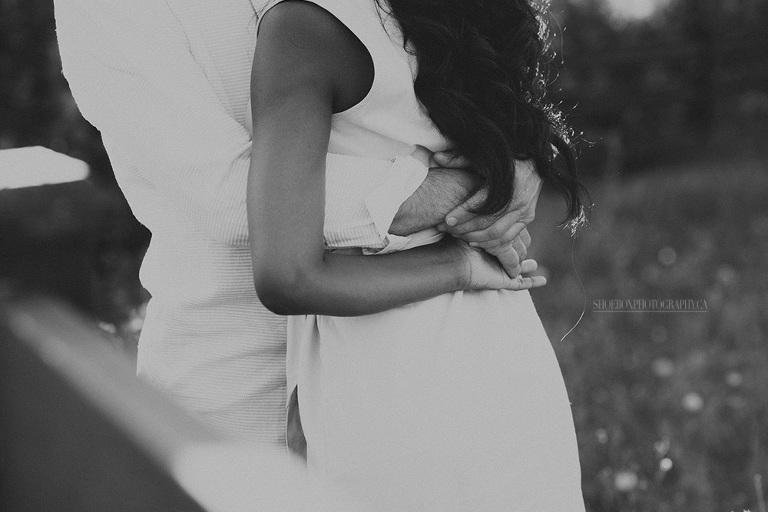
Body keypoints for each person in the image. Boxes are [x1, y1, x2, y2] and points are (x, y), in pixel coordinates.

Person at [53, 0, 543, 446]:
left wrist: (516, 158)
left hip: (415, 355)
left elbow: (441, 58)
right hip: (234, 382)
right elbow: (219, 190)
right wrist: (466, 190)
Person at [248, 0, 588, 509]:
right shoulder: (464, 19)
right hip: (514, 371)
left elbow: (288, 276)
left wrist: (459, 267)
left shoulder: (301, 29)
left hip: (391, 394)